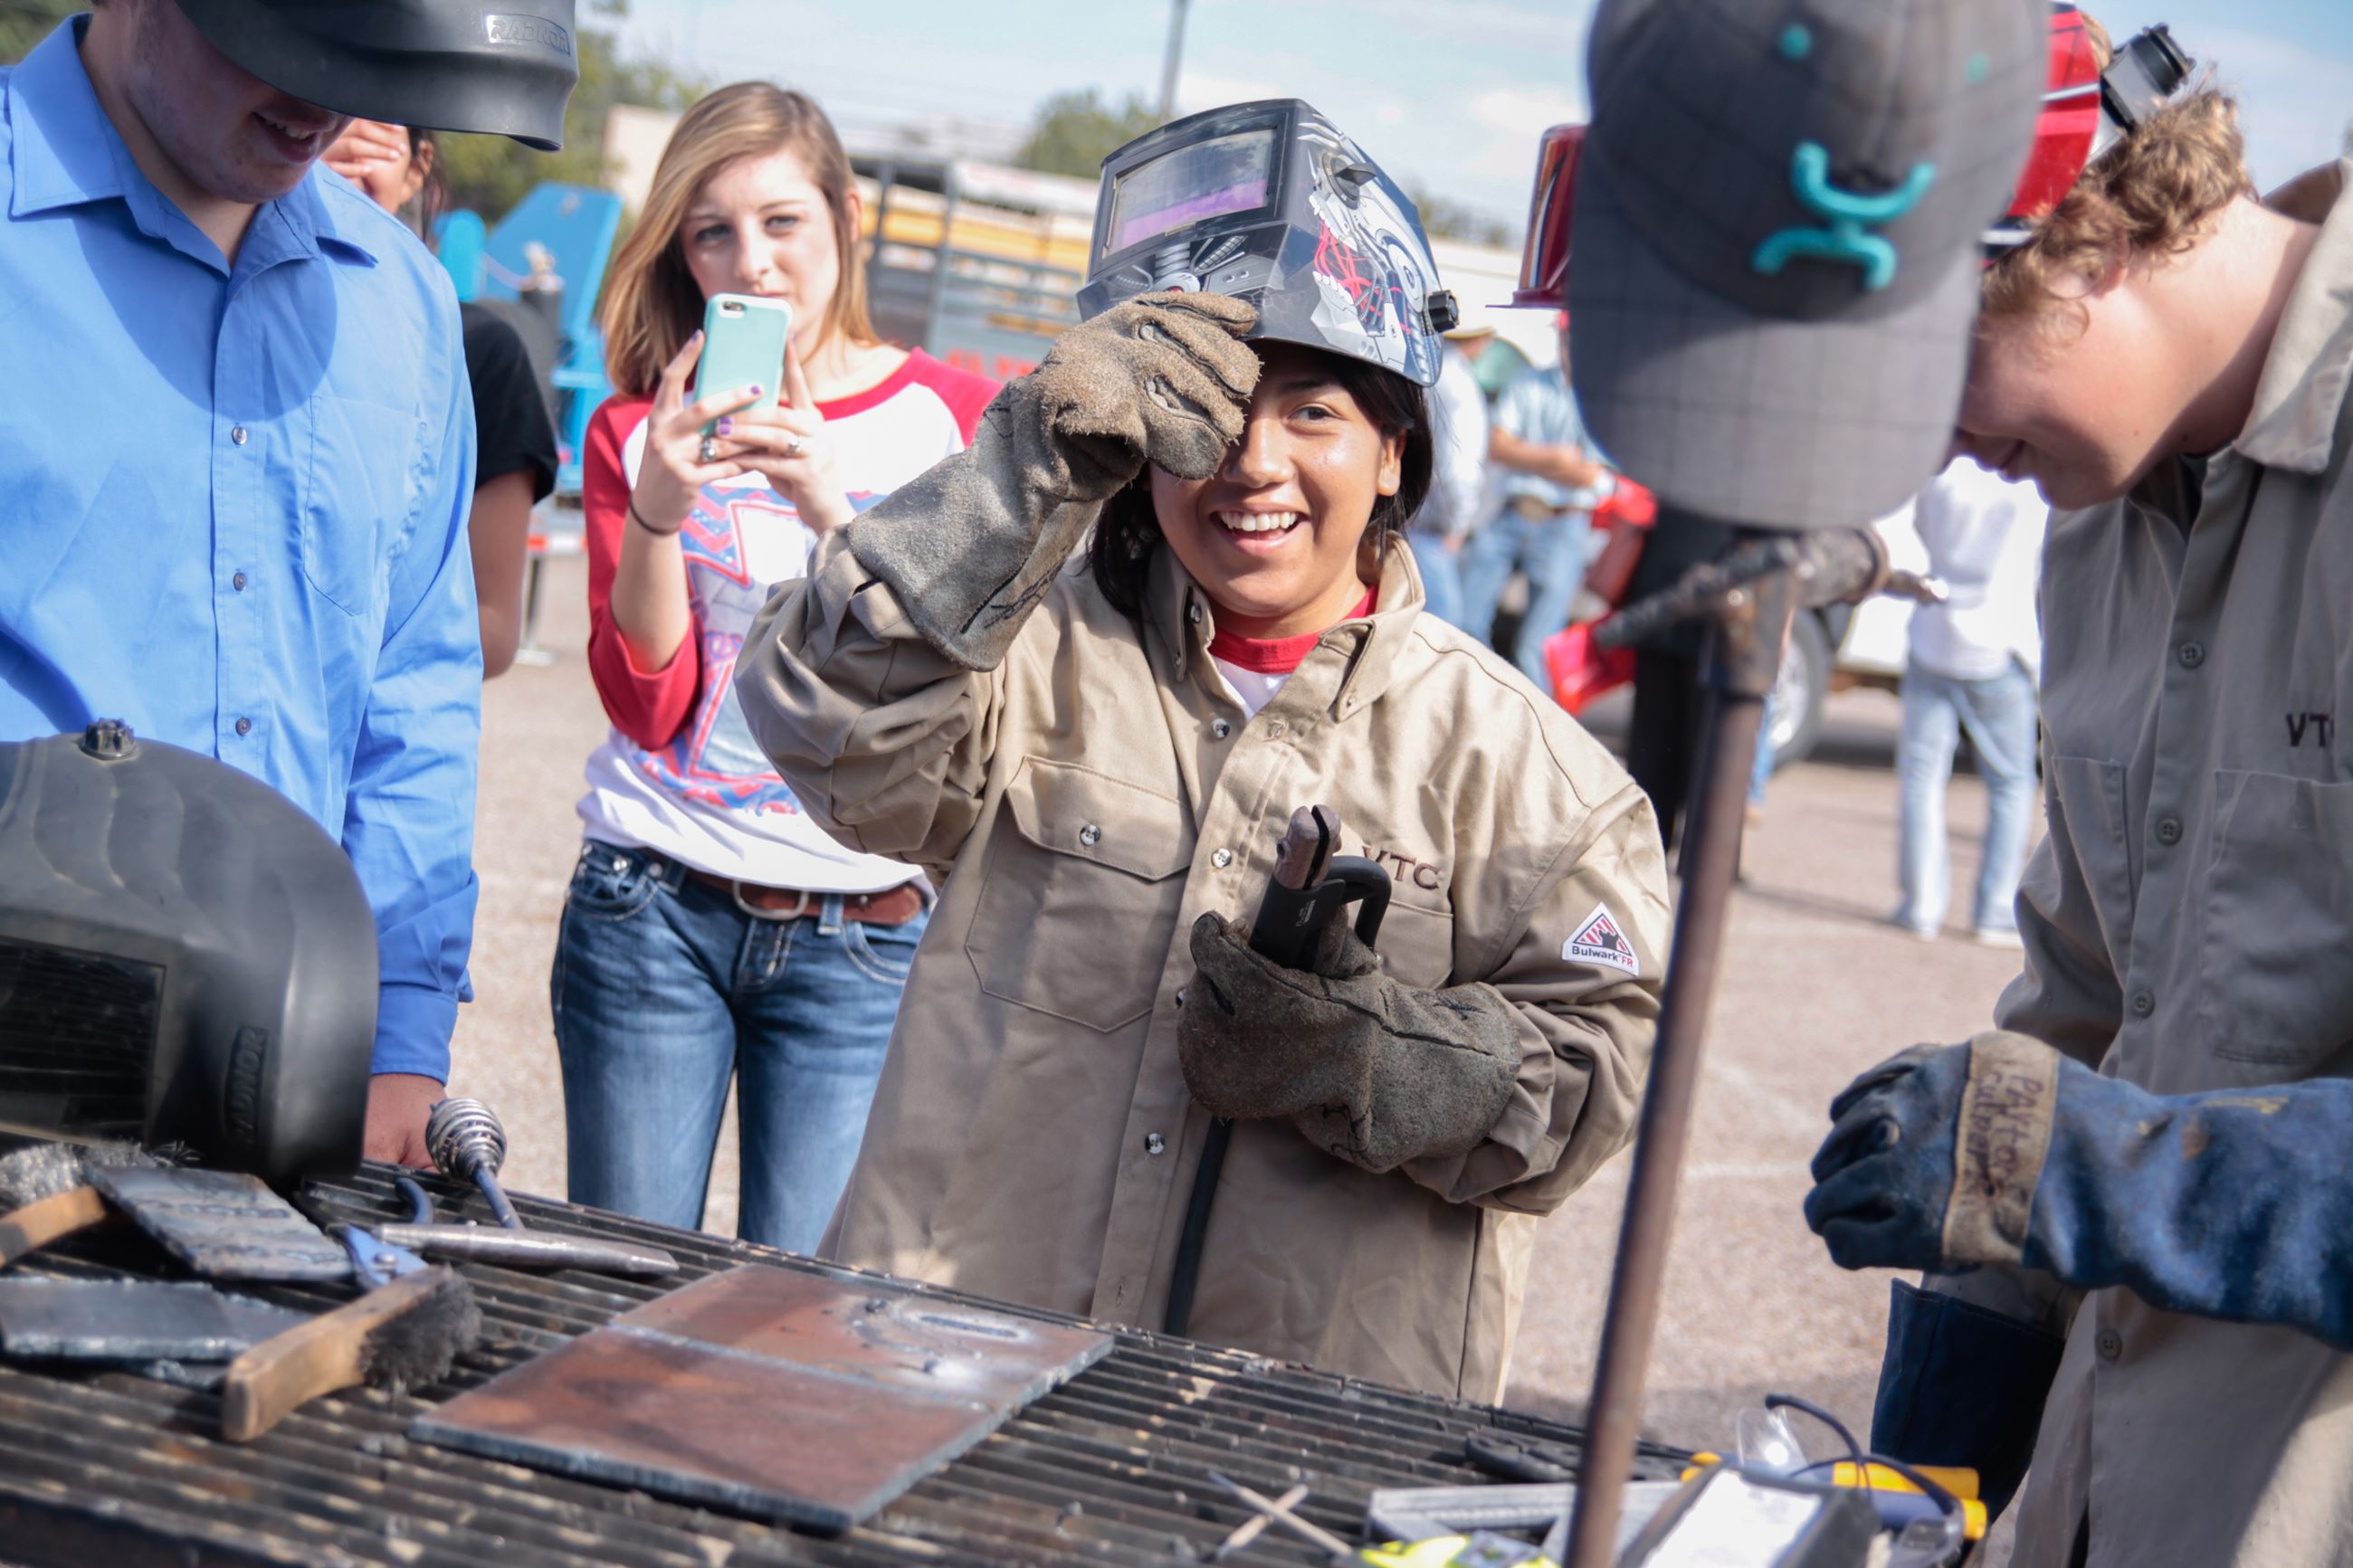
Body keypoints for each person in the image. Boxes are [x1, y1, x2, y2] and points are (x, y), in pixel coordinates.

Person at [732, 101, 1668, 1401]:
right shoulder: (1027, 651)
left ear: (1396, 455)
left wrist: (1376, 1060)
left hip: (1296, 1432)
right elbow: (827, 729)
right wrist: (1016, 483)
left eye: (1317, 412)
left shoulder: (1536, 778)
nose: (1252, 462)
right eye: (1210, 407)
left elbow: (1592, 1094)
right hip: (956, 1372)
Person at [1805, 13, 2353, 1563]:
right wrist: (1921, 1478)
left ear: (2087, 242)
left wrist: (2082, 1162)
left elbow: (2068, 1137)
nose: (1918, 445)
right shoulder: (2099, 514)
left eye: (1918, 363)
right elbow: (2082, 1004)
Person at [0, 1, 576, 1164]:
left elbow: (415, 692)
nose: (322, 106)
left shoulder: (403, 306)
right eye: (286, 50)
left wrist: (400, 1047)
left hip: (279, 1084)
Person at [557, 83, 995, 1253]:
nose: (751, 262)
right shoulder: (631, 428)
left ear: (847, 216)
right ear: (680, 252)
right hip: (652, 904)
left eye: (782, 222)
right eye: (713, 232)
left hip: (867, 930)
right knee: (619, 1294)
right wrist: (657, 507)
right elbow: (646, 706)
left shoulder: (953, 420)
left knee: (796, 1328)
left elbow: (958, 700)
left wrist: (828, 505)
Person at [323, 119, 559, 679]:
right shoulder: (213, 319)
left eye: (375, 122)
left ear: (417, 167)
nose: (346, 142)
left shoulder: (476, 351)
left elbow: (494, 629)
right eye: (320, 110)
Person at [1891, 458, 2044, 946]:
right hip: (1996, 638)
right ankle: (1993, 909)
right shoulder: (2021, 479)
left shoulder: (1941, 470)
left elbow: (1916, 524)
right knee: (2011, 783)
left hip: (1933, 628)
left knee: (1921, 776)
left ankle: (1921, 905)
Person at [1458, 337, 1610, 689]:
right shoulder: (1529, 381)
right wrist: (1559, 459)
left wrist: (1525, 455)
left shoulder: (1601, 396)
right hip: (1516, 514)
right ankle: (1476, 702)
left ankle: (1540, 732)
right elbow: (1498, 447)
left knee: (1537, 646)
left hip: (1564, 521)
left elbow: (1591, 475)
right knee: (1466, 622)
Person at [1405, 324, 1494, 628]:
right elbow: (1459, 468)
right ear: (1483, 338)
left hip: (1412, 515)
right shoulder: (1458, 381)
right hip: (1432, 525)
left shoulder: (1425, 371)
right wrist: (1457, 525)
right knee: (1444, 624)